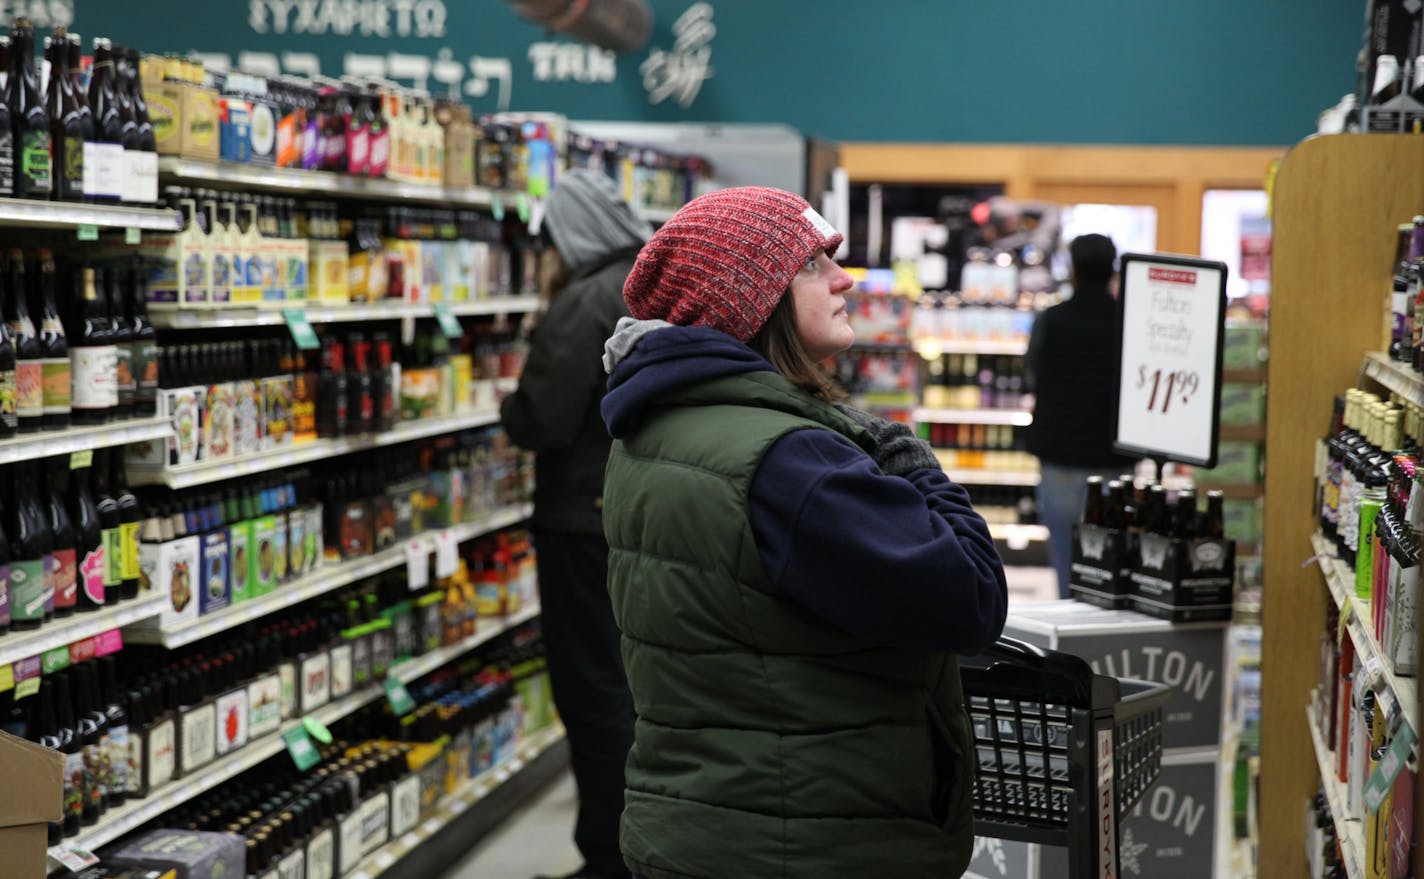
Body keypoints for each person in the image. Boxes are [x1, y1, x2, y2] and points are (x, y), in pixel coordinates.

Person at [598, 186, 1008, 879]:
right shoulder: (792, 462)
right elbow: (971, 598)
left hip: (699, 823)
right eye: (814, 264)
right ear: (751, 297)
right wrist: (908, 457)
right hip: (808, 840)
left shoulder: (654, 428)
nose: (845, 278)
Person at [499, 168, 649, 879]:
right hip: (637, 515)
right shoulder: (648, 287)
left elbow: (545, 421)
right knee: (632, 689)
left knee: (592, 693)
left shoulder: (581, 301)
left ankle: (607, 857)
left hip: (580, 523)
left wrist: (509, 407)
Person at [1024, 233, 1136, 599]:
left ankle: (1070, 637)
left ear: (1071, 270)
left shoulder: (1051, 320)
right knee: (1109, 557)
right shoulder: (1129, 322)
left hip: (1059, 453)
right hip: (1113, 455)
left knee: (1065, 555)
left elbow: (1031, 375)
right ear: (1113, 271)